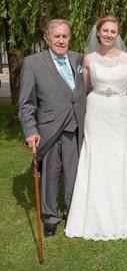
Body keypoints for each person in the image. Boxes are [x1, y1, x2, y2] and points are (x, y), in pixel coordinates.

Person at [65, 15, 127, 240]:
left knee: (118, 151)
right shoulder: (88, 59)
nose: (109, 35)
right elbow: (82, 91)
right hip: (96, 111)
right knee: (96, 154)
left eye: (113, 31)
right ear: (98, 33)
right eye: (105, 31)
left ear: (117, 34)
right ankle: (92, 208)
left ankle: (125, 208)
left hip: (119, 112)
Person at [19, 19, 86, 237]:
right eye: (56, 36)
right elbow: (26, 104)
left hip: (75, 126)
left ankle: (72, 212)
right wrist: (30, 130)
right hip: (48, 129)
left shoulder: (78, 59)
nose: (61, 40)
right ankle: (50, 217)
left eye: (65, 36)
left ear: (69, 38)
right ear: (47, 39)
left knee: (73, 172)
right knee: (50, 174)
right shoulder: (32, 63)